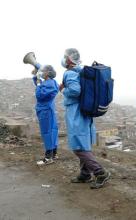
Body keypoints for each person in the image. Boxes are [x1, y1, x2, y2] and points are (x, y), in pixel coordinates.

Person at [60, 48, 110, 189]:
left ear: (69, 60)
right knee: (83, 143)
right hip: (84, 111)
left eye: (65, 57)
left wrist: (63, 89)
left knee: (78, 147)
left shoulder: (69, 73)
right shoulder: (81, 71)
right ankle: (85, 174)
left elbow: (75, 91)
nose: (63, 59)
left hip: (76, 112)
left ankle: (100, 172)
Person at [32, 65, 59, 166]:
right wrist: (36, 76)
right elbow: (40, 85)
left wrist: (38, 84)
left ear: (48, 73)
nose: (42, 72)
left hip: (45, 110)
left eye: (44, 71)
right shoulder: (51, 82)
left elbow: (39, 95)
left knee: (47, 132)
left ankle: (48, 157)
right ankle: (54, 154)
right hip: (48, 109)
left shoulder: (49, 84)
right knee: (52, 130)